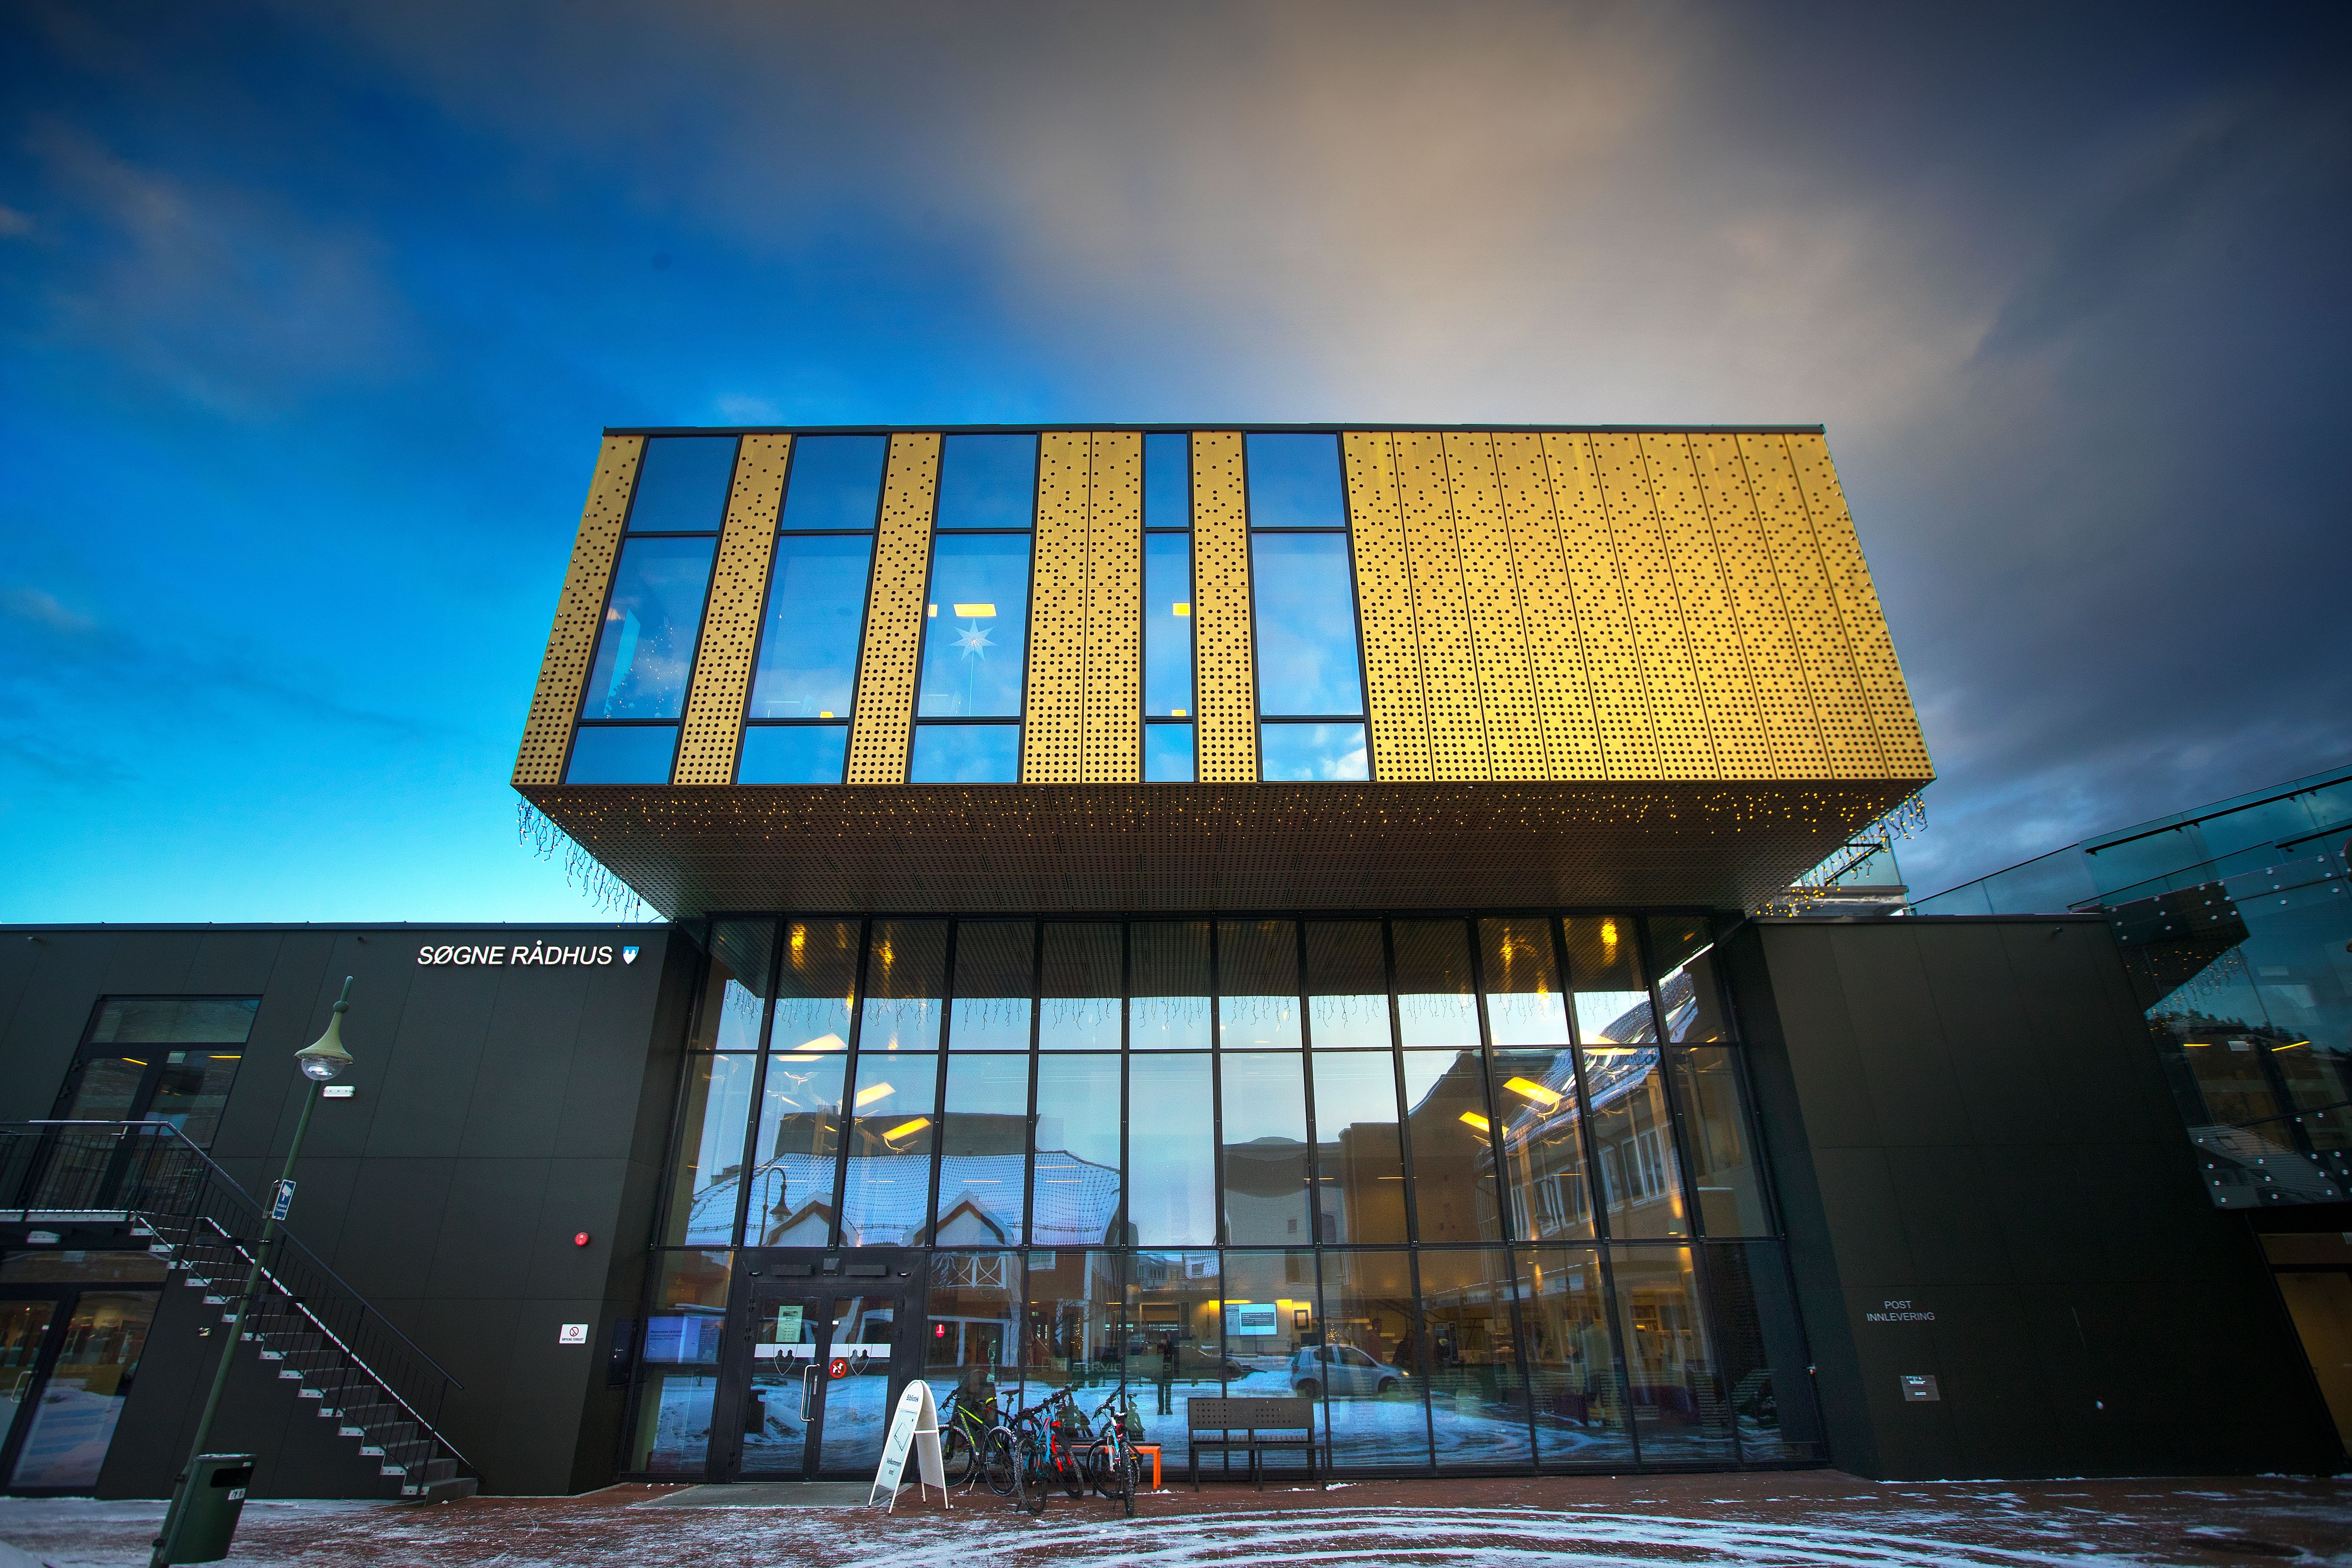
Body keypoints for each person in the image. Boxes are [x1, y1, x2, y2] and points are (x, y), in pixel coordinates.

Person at [1156, 1335, 1178, 1415]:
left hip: (1163, 1373)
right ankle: (1167, 1410)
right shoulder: (1168, 1346)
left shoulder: (1165, 1346)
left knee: (1161, 1392)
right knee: (1167, 1392)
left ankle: (1161, 1410)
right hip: (1167, 1373)